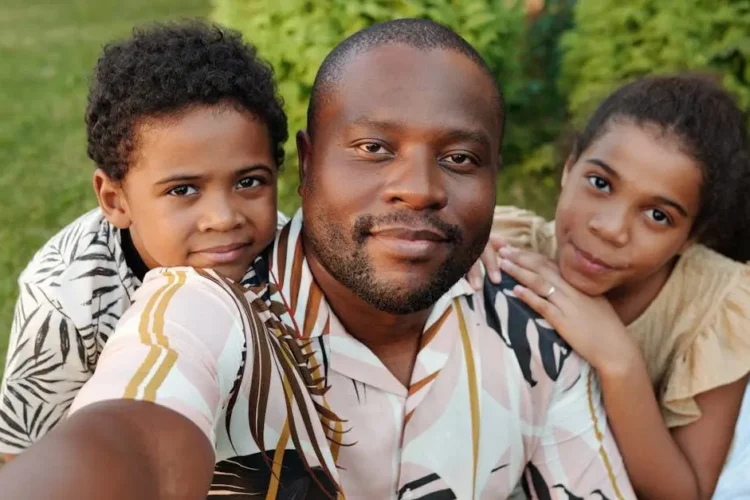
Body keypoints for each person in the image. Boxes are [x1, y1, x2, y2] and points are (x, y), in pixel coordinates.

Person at [0, 19, 635, 499]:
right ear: (310, 164)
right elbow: (134, 436)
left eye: (461, 158)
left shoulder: (538, 338)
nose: (419, 189)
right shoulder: (196, 298)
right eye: (373, 147)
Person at [0, 21, 289, 461]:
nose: (224, 218)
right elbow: (21, 450)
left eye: (249, 181)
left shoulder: (293, 263)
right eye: (183, 190)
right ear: (115, 200)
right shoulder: (65, 297)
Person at [480, 75, 750, 499]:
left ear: (691, 237)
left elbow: (684, 494)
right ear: (570, 168)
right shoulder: (502, 245)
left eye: (658, 216)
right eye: (601, 183)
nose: (609, 229)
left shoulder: (718, 306)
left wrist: (618, 360)